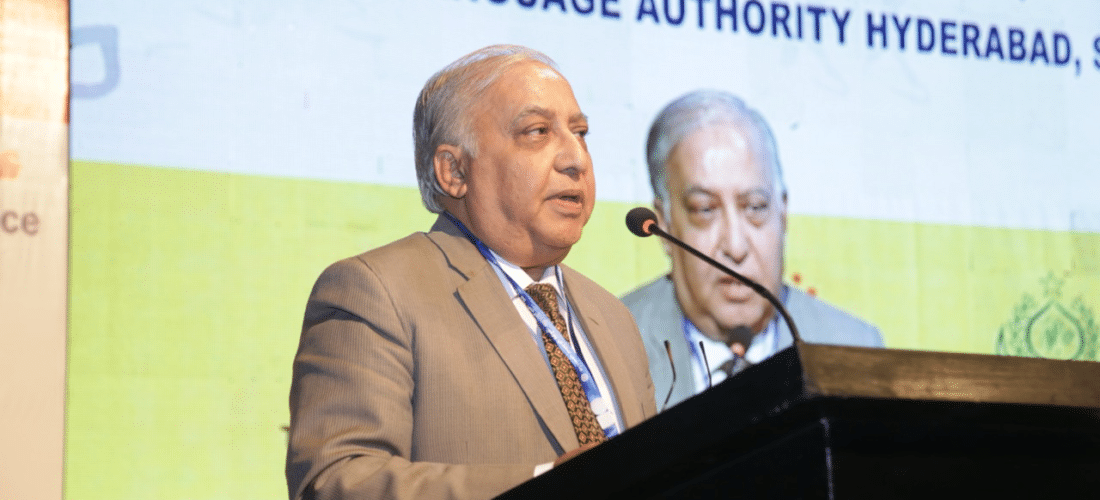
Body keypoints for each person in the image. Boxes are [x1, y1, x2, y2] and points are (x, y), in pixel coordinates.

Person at [286, 45, 656, 500]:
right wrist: (548, 483)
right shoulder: (377, 292)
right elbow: (336, 483)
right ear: (454, 171)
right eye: (537, 132)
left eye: (580, 133)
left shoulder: (613, 316)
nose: (575, 158)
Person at [621, 90, 883, 410]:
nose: (736, 247)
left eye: (756, 207)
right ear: (664, 223)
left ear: (783, 213)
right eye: (705, 210)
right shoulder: (611, 351)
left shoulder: (853, 347)